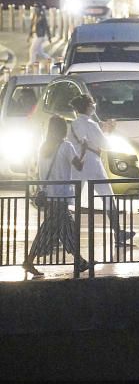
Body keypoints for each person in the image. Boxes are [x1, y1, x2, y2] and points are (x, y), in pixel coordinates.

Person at [22, 116, 92, 278]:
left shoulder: (44, 147)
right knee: (49, 229)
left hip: (48, 195)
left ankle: (79, 261)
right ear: (62, 129)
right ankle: (29, 260)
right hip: (61, 195)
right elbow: (79, 166)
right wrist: (84, 150)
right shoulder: (66, 146)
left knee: (65, 228)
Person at [68, 94, 134, 248]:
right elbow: (105, 144)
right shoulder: (91, 124)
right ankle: (118, 233)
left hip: (79, 164)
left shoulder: (74, 124)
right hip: (93, 163)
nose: (94, 105)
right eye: (92, 103)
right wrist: (108, 130)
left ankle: (63, 231)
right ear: (87, 106)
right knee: (108, 197)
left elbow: (81, 141)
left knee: (73, 199)